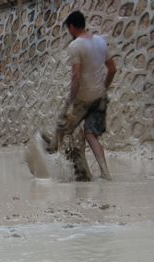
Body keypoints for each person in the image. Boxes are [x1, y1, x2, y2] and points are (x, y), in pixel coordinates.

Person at [52, 10, 116, 181]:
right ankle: (105, 173)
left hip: (83, 99)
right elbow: (112, 69)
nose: (68, 32)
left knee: (62, 127)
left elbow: (76, 76)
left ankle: (50, 167)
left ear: (72, 27)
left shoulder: (75, 46)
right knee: (90, 134)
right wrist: (104, 86)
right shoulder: (100, 41)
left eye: (68, 29)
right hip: (100, 97)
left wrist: (70, 101)